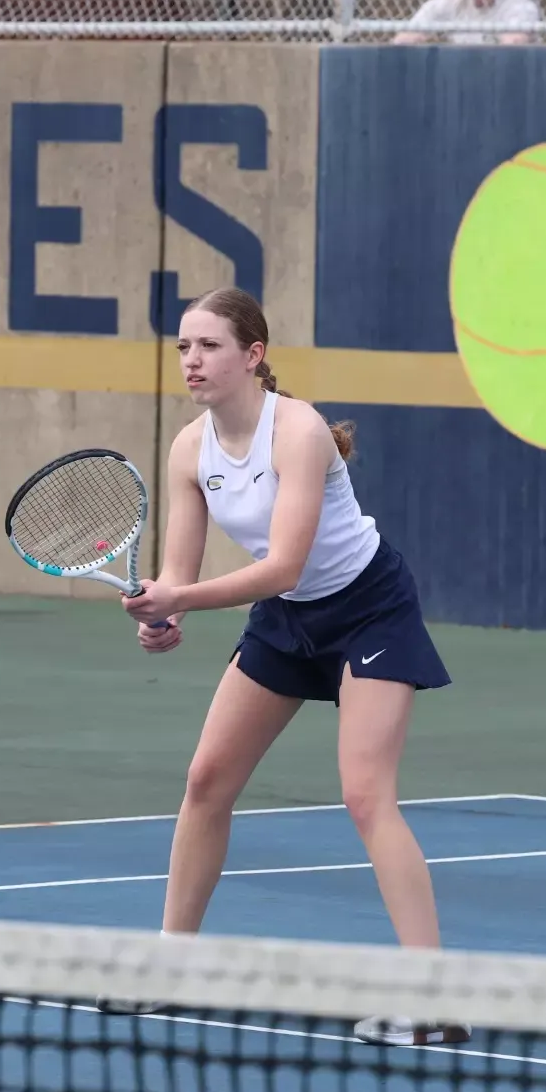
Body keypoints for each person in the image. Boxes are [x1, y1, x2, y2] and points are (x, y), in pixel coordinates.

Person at [107, 286, 469, 1049]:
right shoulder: (188, 450)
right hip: (287, 620)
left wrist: (182, 598)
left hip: (368, 608)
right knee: (206, 780)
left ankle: (434, 998)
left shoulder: (297, 431)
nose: (192, 360)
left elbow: (283, 566)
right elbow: (180, 570)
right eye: (183, 346)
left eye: (209, 345)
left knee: (366, 796)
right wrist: (165, 614)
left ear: (254, 355)